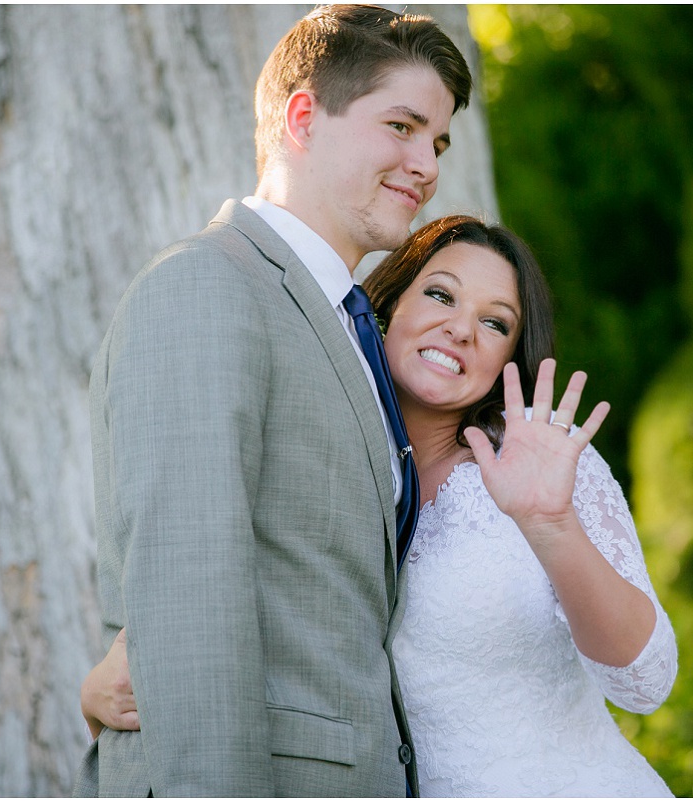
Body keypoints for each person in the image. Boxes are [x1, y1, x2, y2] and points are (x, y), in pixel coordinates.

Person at [83, 216, 679, 797]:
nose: (461, 329)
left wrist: (550, 524)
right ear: (387, 306)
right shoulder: (315, 465)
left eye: (495, 324)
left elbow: (645, 680)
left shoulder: (546, 466)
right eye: (441, 295)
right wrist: (105, 688)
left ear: (508, 361)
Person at [73, 5, 471, 797]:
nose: (425, 164)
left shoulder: (354, 329)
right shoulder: (205, 286)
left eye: (438, 142)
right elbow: (190, 596)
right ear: (302, 117)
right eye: (402, 125)